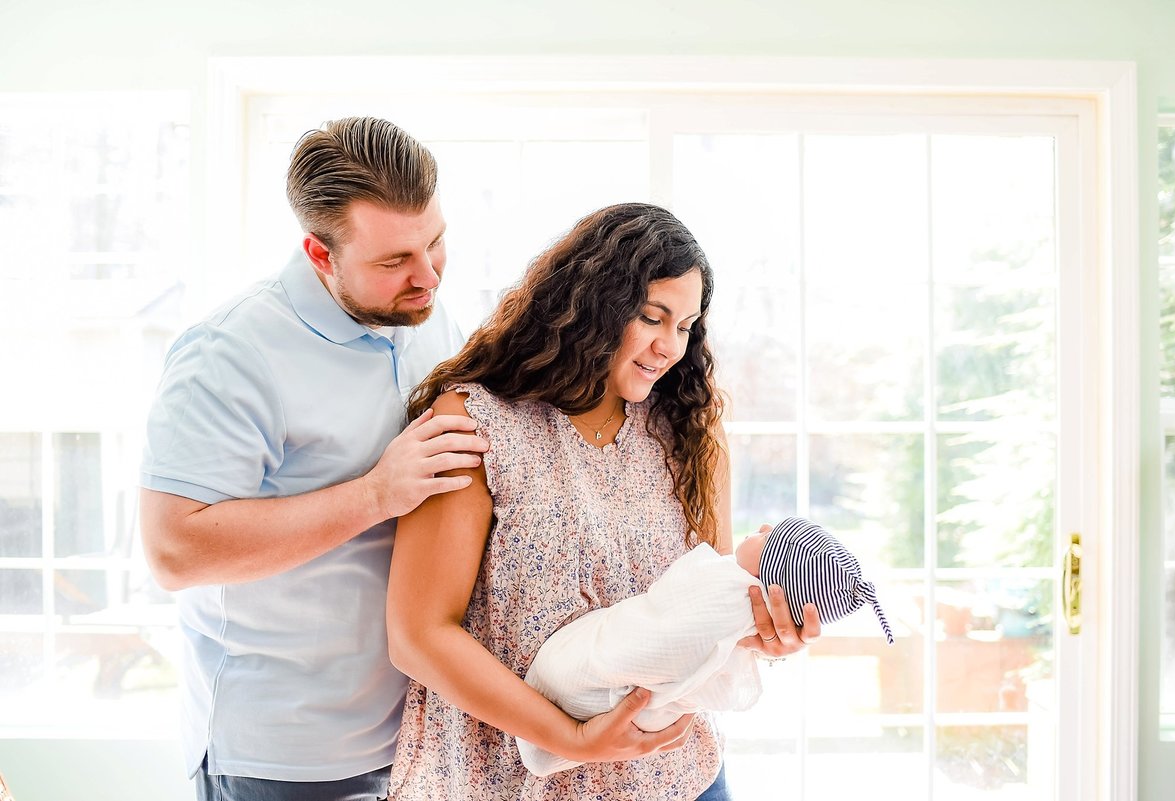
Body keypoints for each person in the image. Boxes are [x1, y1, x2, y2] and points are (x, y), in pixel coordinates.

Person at [385, 202, 821, 801]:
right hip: (503, 779)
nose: (670, 346)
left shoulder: (689, 431)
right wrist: (570, 739)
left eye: (687, 325)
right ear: (590, 304)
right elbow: (419, 635)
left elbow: (698, 609)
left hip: (674, 777)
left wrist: (757, 632)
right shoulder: (475, 423)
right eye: (651, 317)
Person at [138, 117, 492, 799]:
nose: (427, 276)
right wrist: (375, 494)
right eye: (394, 261)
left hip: (412, 735)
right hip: (282, 755)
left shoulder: (426, 315)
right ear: (320, 253)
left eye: (436, 241)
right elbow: (173, 551)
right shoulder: (228, 356)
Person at [517, 516, 895, 777]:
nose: (760, 528)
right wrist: (573, 739)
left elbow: (682, 642)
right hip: (531, 750)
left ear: (769, 574)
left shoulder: (729, 598)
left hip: (688, 775)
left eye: (768, 537)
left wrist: (761, 647)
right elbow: (663, 616)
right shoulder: (726, 587)